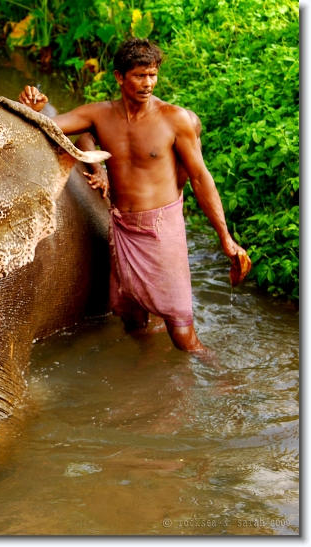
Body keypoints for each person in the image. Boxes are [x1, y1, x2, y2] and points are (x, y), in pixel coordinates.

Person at [18, 38, 251, 352]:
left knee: (183, 335)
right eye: (140, 76)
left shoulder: (174, 119)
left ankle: (220, 378)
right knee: (130, 319)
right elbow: (47, 126)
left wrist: (225, 237)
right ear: (119, 77)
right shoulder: (99, 115)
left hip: (161, 230)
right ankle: (148, 368)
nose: (148, 83)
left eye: (152, 75)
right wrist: (31, 109)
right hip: (122, 226)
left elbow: (200, 178)